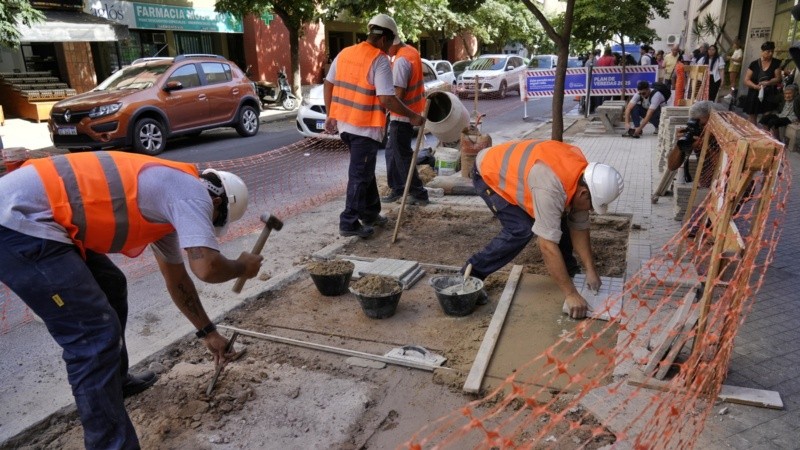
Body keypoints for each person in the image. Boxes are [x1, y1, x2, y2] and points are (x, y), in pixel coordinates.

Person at [0, 151, 264, 449]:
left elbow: (178, 280)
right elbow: (206, 267)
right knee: (93, 335)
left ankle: (116, 380)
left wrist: (208, 333)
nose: (206, 226)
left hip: (38, 218)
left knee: (111, 284)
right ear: (217, 203)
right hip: (17, 221)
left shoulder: (166, 203)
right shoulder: (192, 194)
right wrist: (243, 267)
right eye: (214, 222)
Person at [463, 140, 624, 319]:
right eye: (592, 206)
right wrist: (570, 294)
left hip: (526, 176)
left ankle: (568, 270)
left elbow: (579, 226)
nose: (591, 210)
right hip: (489, 173)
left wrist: (590, 269)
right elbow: (546, 245)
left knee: (557, 216)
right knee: (520, 229)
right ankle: (472, 274)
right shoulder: (551, 186)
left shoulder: (582, 178)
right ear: (584, 194)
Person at [324, 13, 424, 238]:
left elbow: (328, 83)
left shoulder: (345, 53)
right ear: (383, 39)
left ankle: (370, 213)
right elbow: (387, 99)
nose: (389, 49)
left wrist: (331, 113)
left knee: (364, 171)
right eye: (389, 43)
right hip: (365, 127)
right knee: (360, 175)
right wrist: (413, 116)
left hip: (346, 126)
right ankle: (349, 221)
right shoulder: (379, 60)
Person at [381, 39, 429, 206]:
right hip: (407, 113)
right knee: (391, 153)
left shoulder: (401, 60)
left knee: (402, 156)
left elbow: (398, 93)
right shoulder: (411, 52)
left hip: (402, 115)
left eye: (387, 46)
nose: (386, 49)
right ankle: (398, 188)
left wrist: (385, 104)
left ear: (393, 42)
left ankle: (418, 192)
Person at [742, 41, 783, 124]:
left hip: (769, 92)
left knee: (767, 117)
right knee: (752, 116)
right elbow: (746, 80)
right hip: (754, 92)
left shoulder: (776, 63)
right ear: (762, 52)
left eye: (772, 51)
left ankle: (765, 135)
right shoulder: (754, 64)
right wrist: (755, 86)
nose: (770, 53)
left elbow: (778, 78)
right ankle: (752, 135)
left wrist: (768, 83)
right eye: (768, 51)